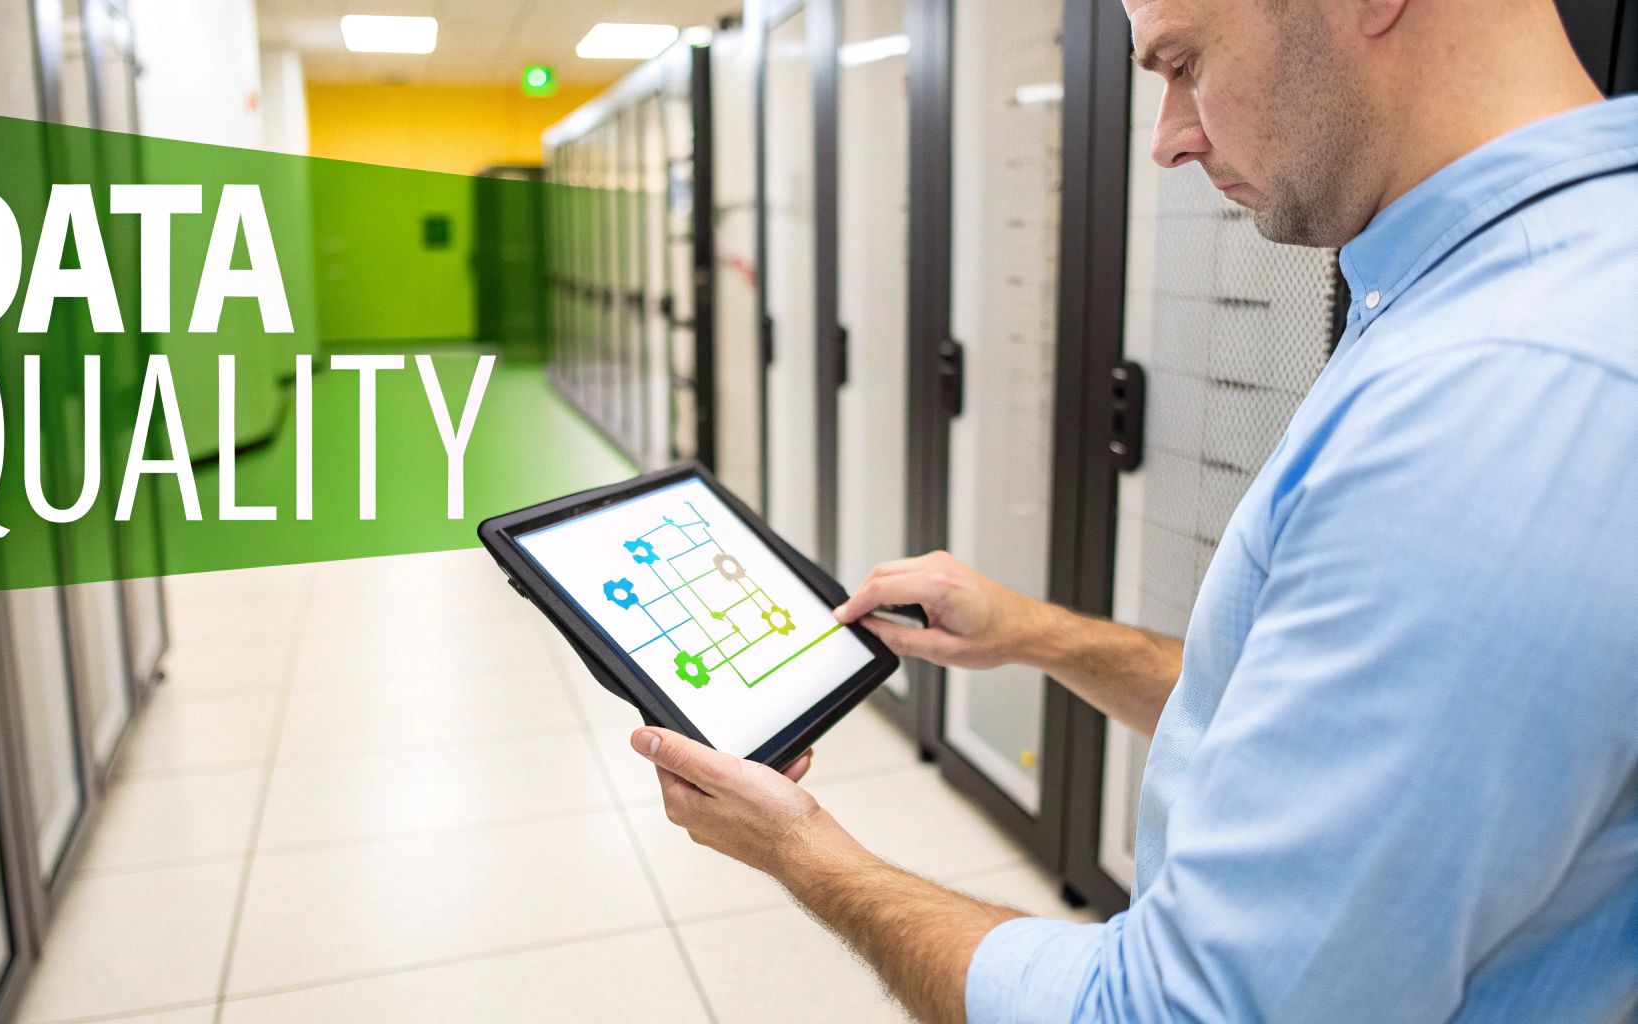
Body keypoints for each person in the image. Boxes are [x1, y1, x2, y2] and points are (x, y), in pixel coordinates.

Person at [628, 0, 1638, 1019]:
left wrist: (803, 853)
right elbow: (1293, 722)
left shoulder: (1495, 389)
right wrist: (1036, 634)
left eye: (1184, 62)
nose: (1163, 140)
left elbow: (1173, 1011)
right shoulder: (1516, 283)